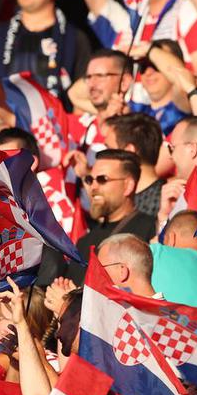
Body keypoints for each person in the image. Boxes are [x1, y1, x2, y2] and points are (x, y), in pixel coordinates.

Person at [65, 150, 156, 280]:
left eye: (102, 179)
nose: (93, 187)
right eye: (91, 179)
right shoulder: (84, 242)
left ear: (128, 186)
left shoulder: (150, 231)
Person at [103, 113, 165, 219]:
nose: (104, 157)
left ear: (129, 151)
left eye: (109, 149)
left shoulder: (162, 203)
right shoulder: (121, 199)